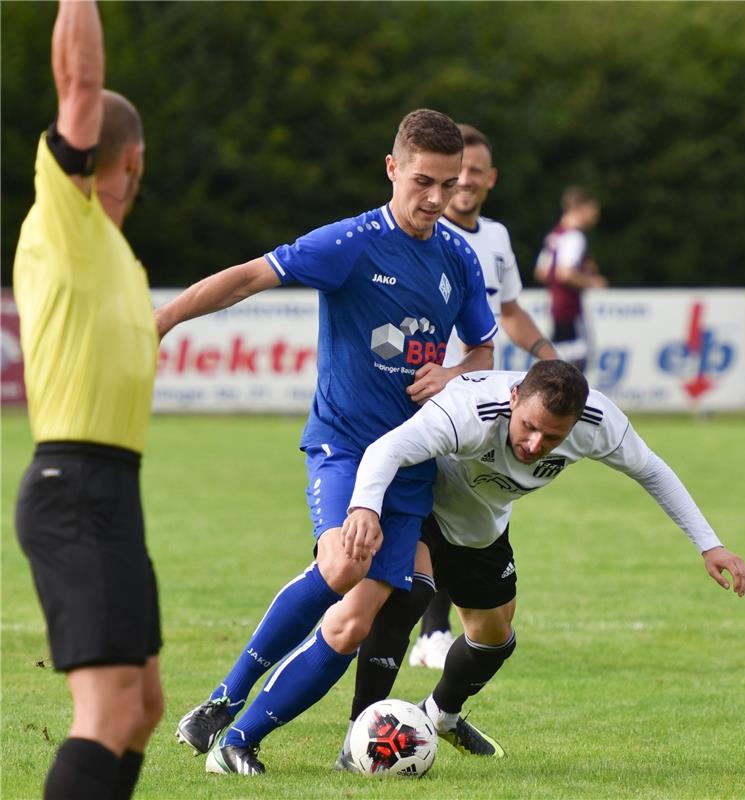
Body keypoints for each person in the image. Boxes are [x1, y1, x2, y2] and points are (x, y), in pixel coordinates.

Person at [156, 109, 498, 776]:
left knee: (355, 620)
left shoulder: (457, 254)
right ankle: (224, 699)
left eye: (448, 184)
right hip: (343, 446)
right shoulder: (351, 242)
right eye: (422, 181)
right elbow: (251, 276)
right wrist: (165, 317)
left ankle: (237, 740)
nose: (435, 199)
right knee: (341, 566)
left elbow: (483, 347)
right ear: (392, 168)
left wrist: (455, 373)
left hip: (408, 468)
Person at [334, 360, 745, 768]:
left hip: (481, 528)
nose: (535, 445)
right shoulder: (471, 408)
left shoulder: (597, 422)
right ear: (514, 398)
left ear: (574, 426)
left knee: (494, 638)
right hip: (419, 506)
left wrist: (710, 546)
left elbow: (652, 470)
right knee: (409, 597)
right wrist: (365, 508)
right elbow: (386, 449)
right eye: (529, 427)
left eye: (552, 436)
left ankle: (441, 716)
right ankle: (358, 741)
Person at [12, 2, 163, 799]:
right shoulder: (67, 215)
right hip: (76, 490)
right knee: (106, 710)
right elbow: (80, 80)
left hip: (110, 491)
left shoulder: (115, 256)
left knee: (141, 706)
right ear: (132, 160)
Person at [403, 123, 557, 670]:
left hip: (488, 385)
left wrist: (545, 353)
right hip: (436, 388)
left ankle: (435, 629)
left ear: (489, 179)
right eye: (457, 171)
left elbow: (509, 312)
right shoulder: (425, 233)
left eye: (474, 171)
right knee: (437, 502)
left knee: (470, 502)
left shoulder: (494, 238)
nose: (464, 181)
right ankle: (428, 629)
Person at [534, 187, 608, 373]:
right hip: (569, 309)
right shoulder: (574, 236)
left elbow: (542, 271)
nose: (596, 214)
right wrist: (592, 281)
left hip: (556, 308)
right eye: (593, 208)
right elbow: (564, 273)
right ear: (582, 207)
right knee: (575, 367)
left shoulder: (555, 234)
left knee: (559, 365)